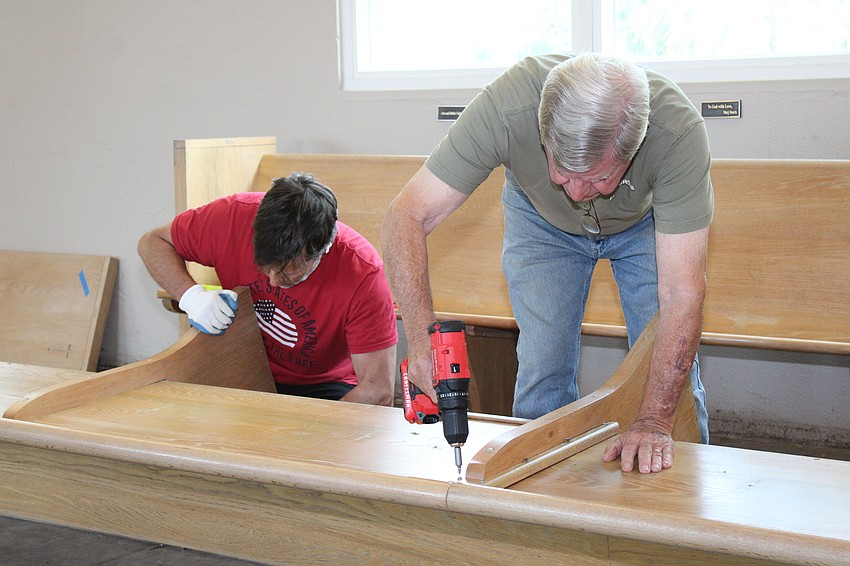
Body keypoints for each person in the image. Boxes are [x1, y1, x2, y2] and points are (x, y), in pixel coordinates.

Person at [381, 53, 712, 473]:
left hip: (645, 223)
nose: (576, 193)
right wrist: (423, 340)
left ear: (634, 147)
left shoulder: (676, 133)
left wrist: (653, 421)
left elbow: (682, 292)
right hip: (540, 218)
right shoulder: (506, 108)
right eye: (561, 169)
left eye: (595, 178)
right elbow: (405, 215)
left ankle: (687, 495)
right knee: (543, 366)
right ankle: (537, 509)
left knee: (670, 382)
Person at [139, 172, 398, 405]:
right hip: (243, 362)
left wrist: (313, 430)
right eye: (264, 266)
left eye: (288, 271)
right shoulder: (232, 217)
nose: (273, 281)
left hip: (325, 387)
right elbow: (152, 242)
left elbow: (377, 390)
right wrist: (191, 296)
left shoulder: (364, 275)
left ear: (323, 249)